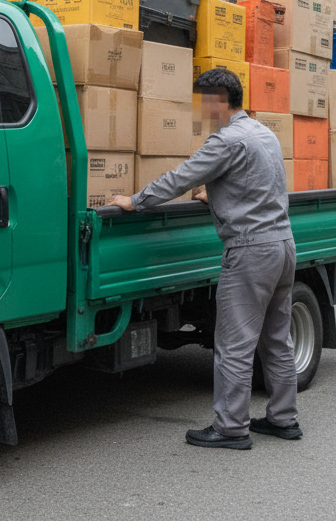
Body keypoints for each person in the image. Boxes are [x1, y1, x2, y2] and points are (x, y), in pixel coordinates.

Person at [107, 68, 302, 450]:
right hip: (282, 245)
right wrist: (217, 195)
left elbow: (181, 177)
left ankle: (231, 428)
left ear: (217, 102)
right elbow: (261, 186)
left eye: (202, 103)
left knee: (234, 344)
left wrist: (135, 201)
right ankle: (284, 418)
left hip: (250, 251)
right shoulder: (265, 135)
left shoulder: (226, 140)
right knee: (277, 340)